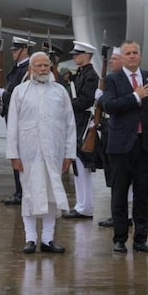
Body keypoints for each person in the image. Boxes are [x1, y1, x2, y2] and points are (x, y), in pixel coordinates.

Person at [6, 51, 76, 254]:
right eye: (39, 66)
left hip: (54, 153)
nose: (43, 69)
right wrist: (14, 155)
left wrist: (69, 154)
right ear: (31, 69)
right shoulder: (20, 92)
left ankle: (47, 239)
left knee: (51, 195)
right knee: (29, 194)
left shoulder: (60, 92)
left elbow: (69, 124)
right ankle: (30, 238)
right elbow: (12, 126)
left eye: (46, 66)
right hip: (28, 154)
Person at [103, 40, 148, 254]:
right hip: (121, 146)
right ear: (122, 57)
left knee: (142, 194)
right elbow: (109, 106)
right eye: (127, 53)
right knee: (119, 193)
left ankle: (140, 238)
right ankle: (119, 238)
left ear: (140, 55)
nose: (131, 56)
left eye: (135, 53)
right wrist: (135, 96)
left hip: (145, 145)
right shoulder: (113, 80)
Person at [63, 41, 99, 220]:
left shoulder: (91, 76)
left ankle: (86, 206)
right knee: (77, 164)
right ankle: (81, 204)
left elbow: (85, 100)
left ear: (87, 56)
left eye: (78, 55)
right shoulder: (81, 74)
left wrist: (67, 104)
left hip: (83, 121)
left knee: (82, 165)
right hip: (76, 120)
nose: (74, 57)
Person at [0, 36, 33, 205]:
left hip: (21, 119)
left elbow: (21, 97)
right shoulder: (18, 68)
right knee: (15, 154)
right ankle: (19, 190)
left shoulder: (27, 70)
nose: (13, 53)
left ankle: (23, 191)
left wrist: (2, 94)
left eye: (16, 50)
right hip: (12, 117)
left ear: (25, 50)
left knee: (21, 155)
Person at [97, 46, 123, 229]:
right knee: (113, 176)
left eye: (115, 58)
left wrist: (100, 99)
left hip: (121, 134)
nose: (112, 61)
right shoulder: (111, 79)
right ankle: (117, 214)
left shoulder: (125, 81)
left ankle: (122, 215)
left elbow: (112, 105)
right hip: (109, 130)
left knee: (120, 178)